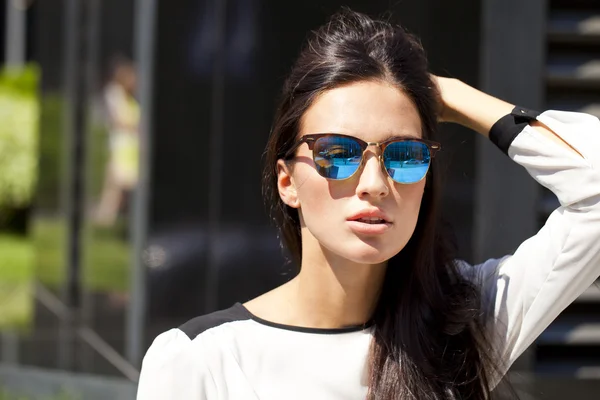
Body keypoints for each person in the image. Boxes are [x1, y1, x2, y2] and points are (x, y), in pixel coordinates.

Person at [136, 9, 600, 400]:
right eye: (337, 154)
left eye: (404, 155)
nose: (375, 183)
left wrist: (455, 96)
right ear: (287, 182)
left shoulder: (464, 322)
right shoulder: (200, 358)